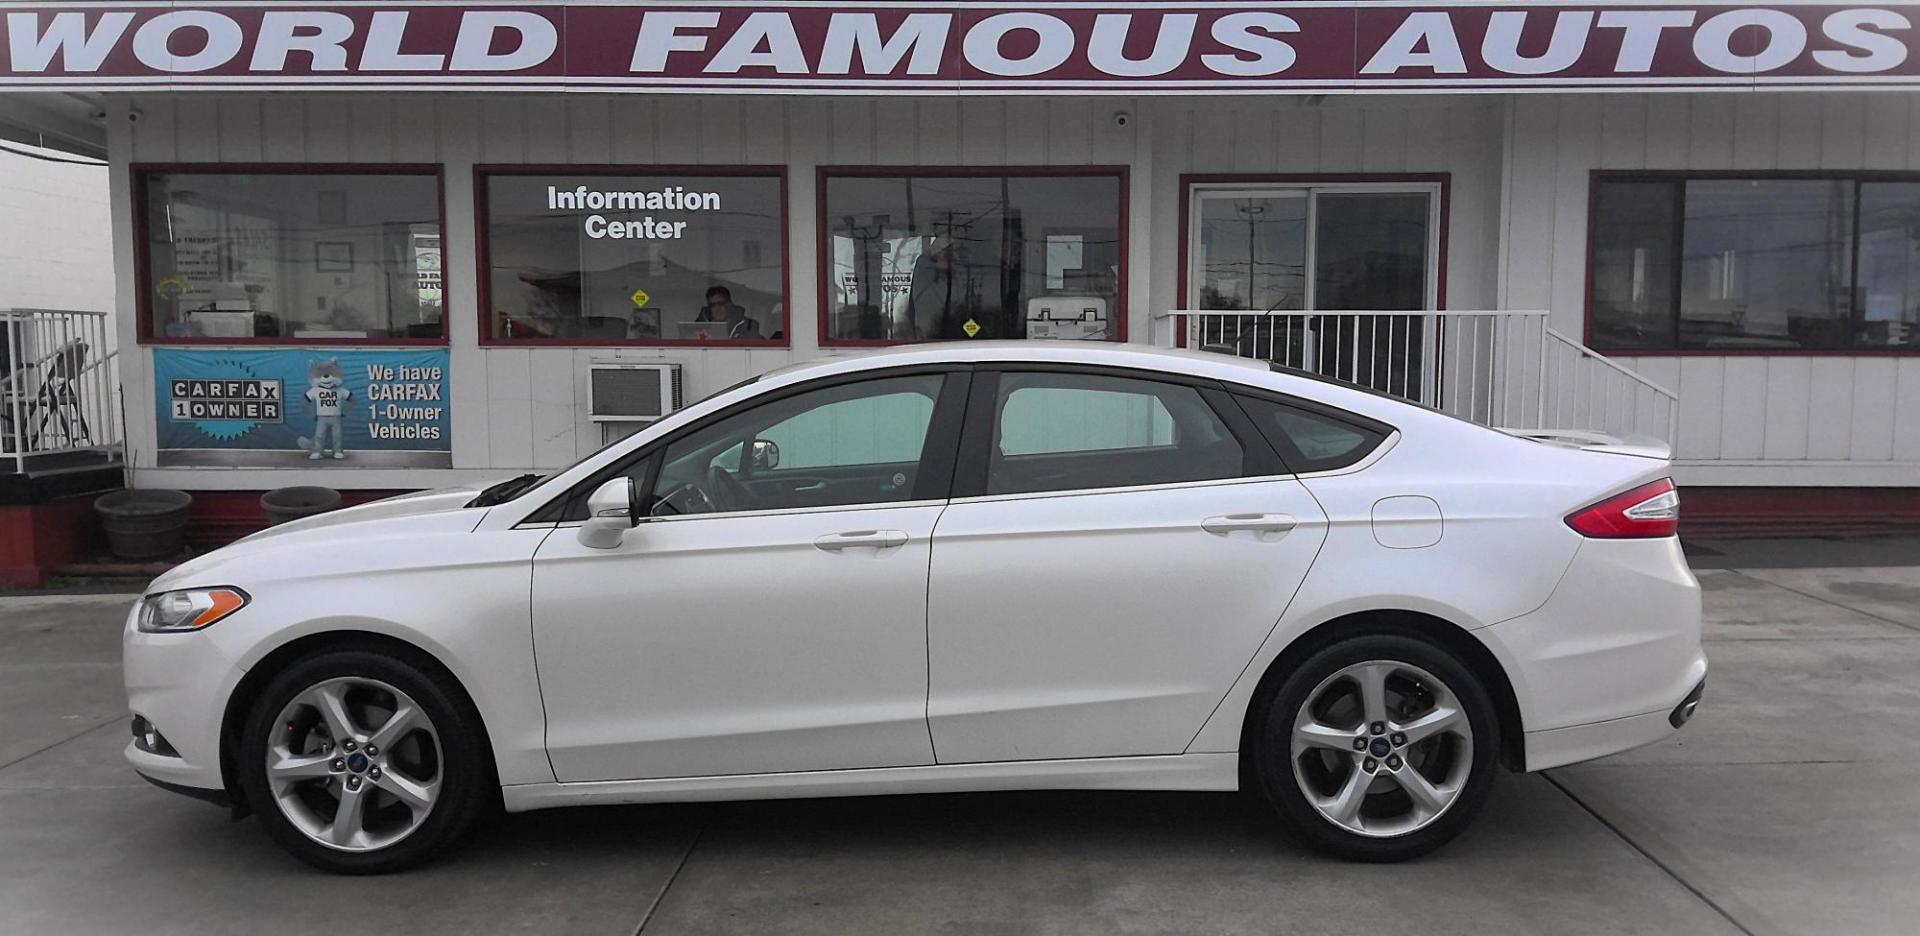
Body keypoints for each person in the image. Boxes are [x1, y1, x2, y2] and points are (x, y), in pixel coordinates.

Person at [694, 285, 762, 339]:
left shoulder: (748, 326)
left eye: (720, 304)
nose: (717, 308)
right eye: (713, 305)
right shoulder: (700, 327)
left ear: (729, 304)